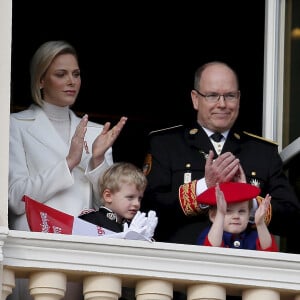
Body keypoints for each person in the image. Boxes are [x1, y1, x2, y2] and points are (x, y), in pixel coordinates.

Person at [8, 40, 127, 300]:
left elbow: (111, 206)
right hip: (35, 251)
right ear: (41, 80)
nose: (71, 81)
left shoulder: (97, 133)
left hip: (83, 252)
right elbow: (15, 198)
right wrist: (69, 163)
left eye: (76, 74)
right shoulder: (15, 125)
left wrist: (96, 160)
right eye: (60, 74)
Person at [141, 61, 300, 247]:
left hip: (246, 268)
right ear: (195, 99)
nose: (222, 104)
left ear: (239, 98)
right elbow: (145, 209)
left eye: (230, 96)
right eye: (212, 96)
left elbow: (293, 218)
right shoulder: (166, 144)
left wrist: (248, 202)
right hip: (182, 263)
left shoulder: (262, 152)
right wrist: (204, 187)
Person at [196, 182, 278, 251]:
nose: (236, 216)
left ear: (249, 214)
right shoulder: (208, 234)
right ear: (213, 216)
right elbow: (211, 251)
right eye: (227, 211)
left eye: (241, 211)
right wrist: (220, 214)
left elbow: (270, 252)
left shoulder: (254, 235)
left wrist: (260, 224)